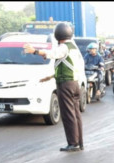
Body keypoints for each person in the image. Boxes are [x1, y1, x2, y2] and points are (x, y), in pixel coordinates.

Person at [24, 23, 85, 152]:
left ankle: (73, 143)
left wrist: (34, 51)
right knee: (75, 114)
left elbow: (53, 53)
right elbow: (73, 66)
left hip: (66, 84)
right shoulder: (74, 47)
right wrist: (52, 76)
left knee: (68, 115)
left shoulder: (64, 47)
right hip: (75, 84)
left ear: (57, 35)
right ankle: (79, 143)